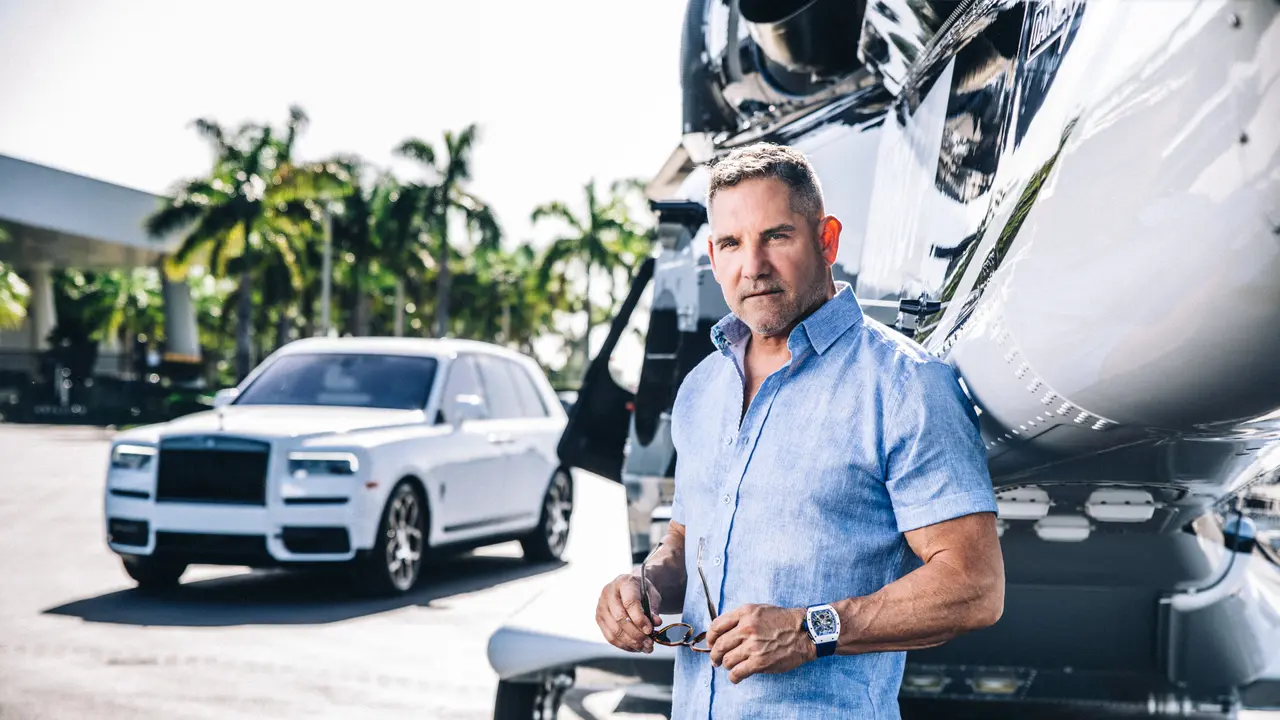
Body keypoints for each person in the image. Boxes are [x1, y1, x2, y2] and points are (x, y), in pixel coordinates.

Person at [593, 142, 1005, 718]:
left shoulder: (905, 385)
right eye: (733, 244)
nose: (752, 265)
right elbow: (687, 544)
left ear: (826, 239)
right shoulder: (702, 390)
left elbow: (975, 587)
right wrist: (643, 588)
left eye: (776, 236)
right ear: (713, 257)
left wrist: (810, 631)